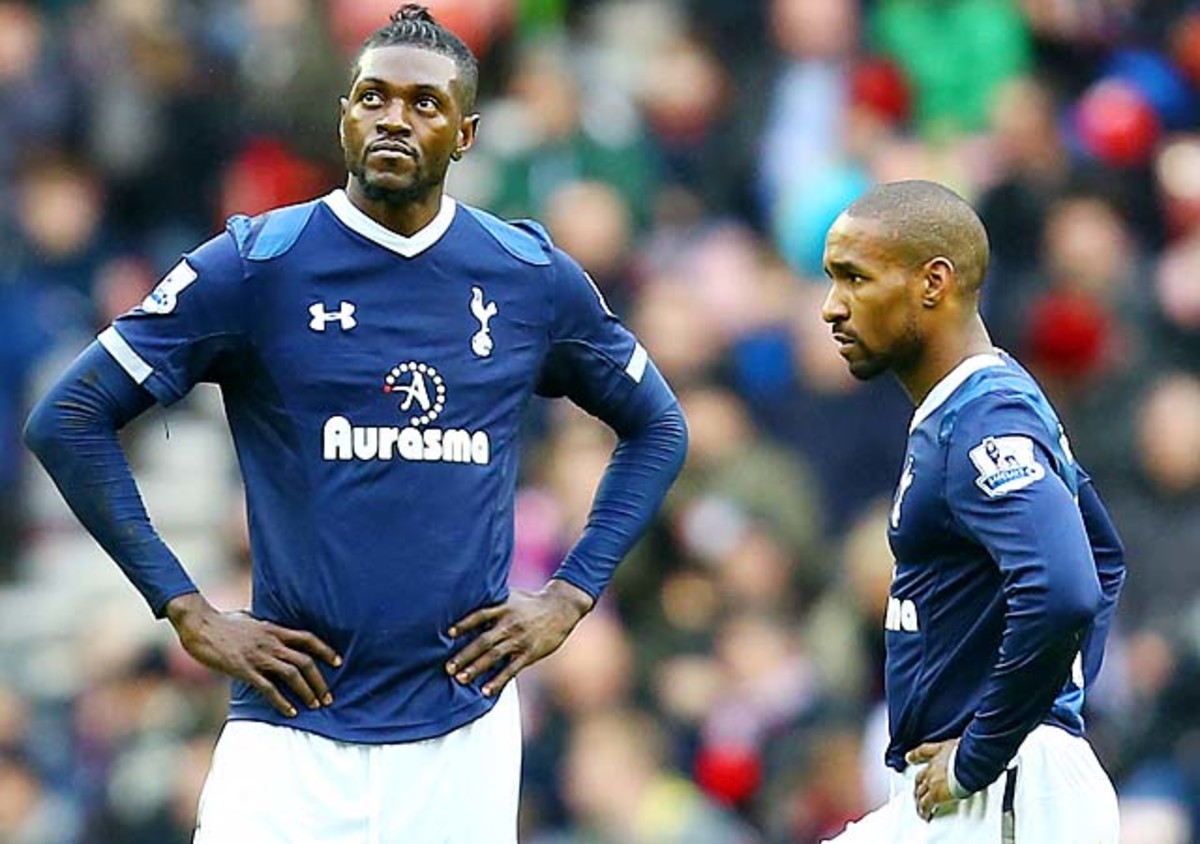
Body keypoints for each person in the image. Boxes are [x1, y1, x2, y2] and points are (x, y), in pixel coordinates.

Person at [22, 6, 688, 843]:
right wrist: (185, 608)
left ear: (466, 134)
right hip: (290, 728)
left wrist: (571, 593)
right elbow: (69, 417)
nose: (394, 119)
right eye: (372, 97)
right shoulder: (257, 264)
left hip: (463, 731)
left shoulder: (529, 278)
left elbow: (659, 426)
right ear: (344, 113)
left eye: (423, 104)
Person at [817, 180, 1126, 842]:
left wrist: (997, 739)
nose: (831, 308)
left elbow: (1069, 587)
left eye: (854, 279)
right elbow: (1103, 556)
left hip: (1001, 791)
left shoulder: (984, 418)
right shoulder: (974, 409)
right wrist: (1046, 701)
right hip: (978, 789)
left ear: (933, 283)